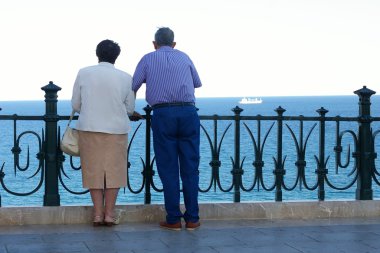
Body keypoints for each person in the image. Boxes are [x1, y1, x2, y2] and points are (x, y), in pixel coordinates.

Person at [132, 27, 202, 231]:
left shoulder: (147, 58)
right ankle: (192, 218)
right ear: (174, 44)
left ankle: (173, 219)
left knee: (168, 167)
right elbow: (197, 83)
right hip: (189, 113)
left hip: (163, 114)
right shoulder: (185, 56)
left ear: (154, 43)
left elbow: (133, 86)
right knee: (190, 168)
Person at [71, 39, 136, 226]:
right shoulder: (125, 77)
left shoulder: (84, 73)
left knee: (93, 172)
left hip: (89, 127)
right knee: (114, 172)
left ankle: (98, 215)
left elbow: (76, 104)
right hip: (116, 129)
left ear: (97, 53)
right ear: (117, 56)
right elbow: (130, 108)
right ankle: (109, 214)